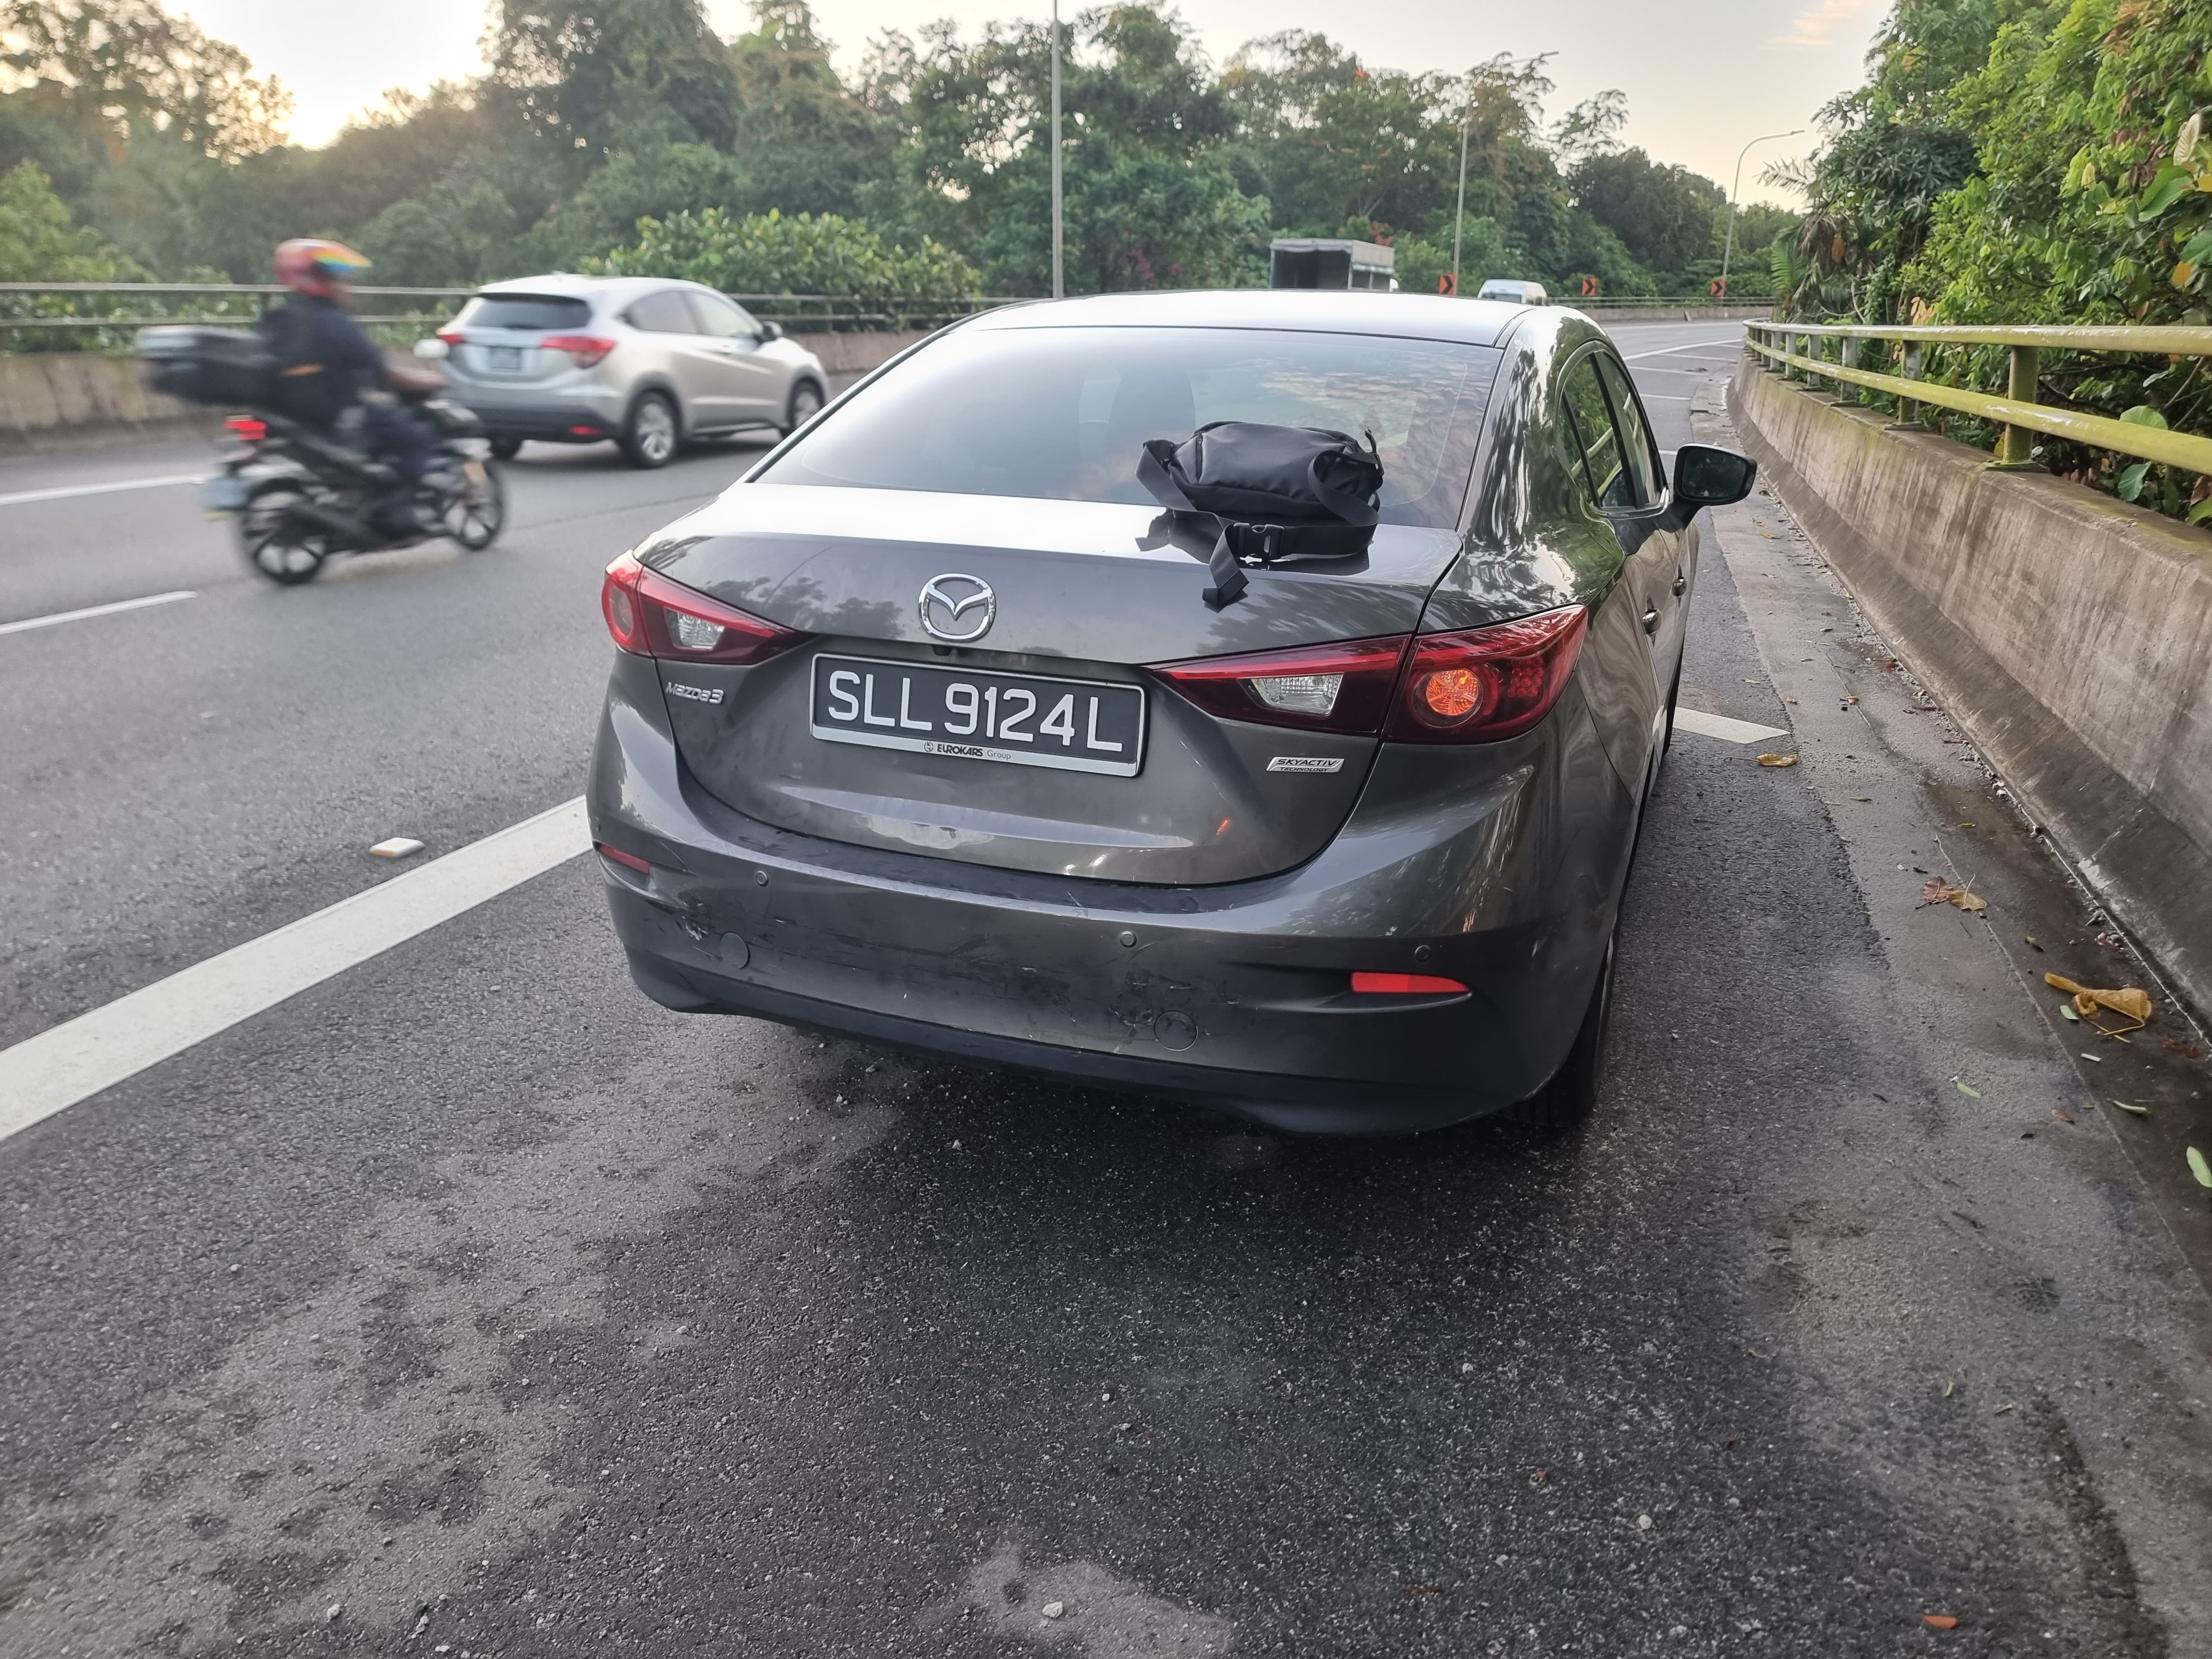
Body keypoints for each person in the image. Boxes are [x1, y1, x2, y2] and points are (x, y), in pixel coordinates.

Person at [258, 239, 442, 538]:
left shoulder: (279, 320)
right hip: (341, 416)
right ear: (321, 281)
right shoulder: (333, 324)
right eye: (338, 280)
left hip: (298, 420)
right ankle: (398, 515)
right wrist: (428, 380)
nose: (347, 287)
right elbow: (383, 375)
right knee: (414, 438)